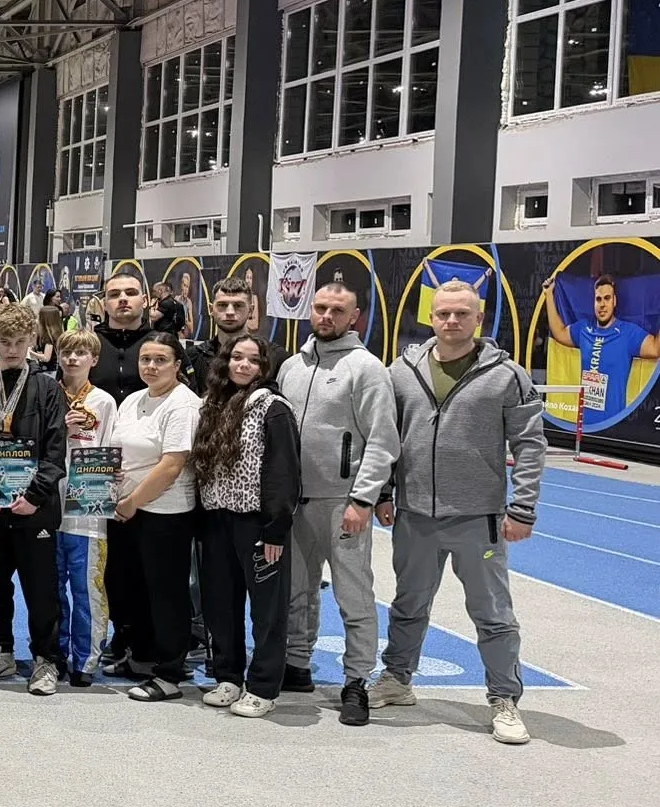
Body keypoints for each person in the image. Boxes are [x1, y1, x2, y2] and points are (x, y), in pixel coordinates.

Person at [374, 281, 547, 746]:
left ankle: (504, 698)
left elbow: (530, 445)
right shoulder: (401, 372)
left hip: (478, 519)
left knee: (492, 613)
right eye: (443, 313)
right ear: (431, 317)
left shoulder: (507, 376)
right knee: (408, 604)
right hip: (414, 514)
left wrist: (523, 508)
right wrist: (384, 493)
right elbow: (386, 437)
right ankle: (397, 679)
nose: (452, 321)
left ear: (479, 319)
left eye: (462, 314)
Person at [275, 278, 398, 717]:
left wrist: (362, 500)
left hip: (342, 503)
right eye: (320, 308)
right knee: (296, 590)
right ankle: (296, 663)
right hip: (295, 503)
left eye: (337, 310)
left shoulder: (367, 369)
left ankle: (356, 681)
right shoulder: (292, 367)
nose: (327, 316)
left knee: (353, 595)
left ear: (354, 317)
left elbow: (382, 441)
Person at [191, 334, 300, 718]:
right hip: (216, 520)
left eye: (253, 360)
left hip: (257, 522)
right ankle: (228, 676)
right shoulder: (211, 404)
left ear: (264, 366)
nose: (243, 365)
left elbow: (284, 471)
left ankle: (264, 686)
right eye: (237, 357)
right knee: (220, 603)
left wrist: (275, 528)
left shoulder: (273, 407)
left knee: (267, 610)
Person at [0, 302, 68, 695]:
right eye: (5, 341)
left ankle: (46, 659)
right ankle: (0, 650)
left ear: (32, 340)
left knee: (41, 589)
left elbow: (56, 450)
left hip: (35, 508)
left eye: (19, 342)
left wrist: (35, 495)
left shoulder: (48, 388)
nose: (12, 349)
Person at [106, 332, 201, 703]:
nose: (151, 366)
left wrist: (133, 500)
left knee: (166, 593)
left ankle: (169, 672)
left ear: (177, 365)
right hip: (127, 509)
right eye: (145, 359)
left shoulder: (183, 404)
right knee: (132, 588)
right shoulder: (133, 399)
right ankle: (142, 658)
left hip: (165, 513)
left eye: (160, 360)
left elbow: (172, 465)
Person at [54, 329, 116, 686]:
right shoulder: (48, 393)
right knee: (52, 588)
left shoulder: (104, 402)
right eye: (67, 352)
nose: (72, 358)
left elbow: (109, 450)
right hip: (50, 505)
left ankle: (86, 660)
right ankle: (56, 653)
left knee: (87, 587)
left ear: (94, 359)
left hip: (88, 510)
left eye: (80, 353)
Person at [544, 272, 660, 423]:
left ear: (614, 301)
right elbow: (559, 333)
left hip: (613, 426)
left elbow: (655, 349)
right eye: (598, 299)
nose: (602, 304)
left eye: (607, 298)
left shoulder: (628, 333)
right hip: (584, 425)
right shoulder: (584, 329)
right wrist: (548, 295)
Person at [184, 276, 259, 391]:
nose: (230, 312)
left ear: (251, 310)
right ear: (211, 309)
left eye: (238, 305)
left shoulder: (272, 357)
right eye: (222, 305)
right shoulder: (193, 357)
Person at [89, 273, 155, 403]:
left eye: (131, 293)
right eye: (114, 294)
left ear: (145, 301)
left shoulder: (164, 344)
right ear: (104, 304)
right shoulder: (87, 344)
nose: (123, 299)